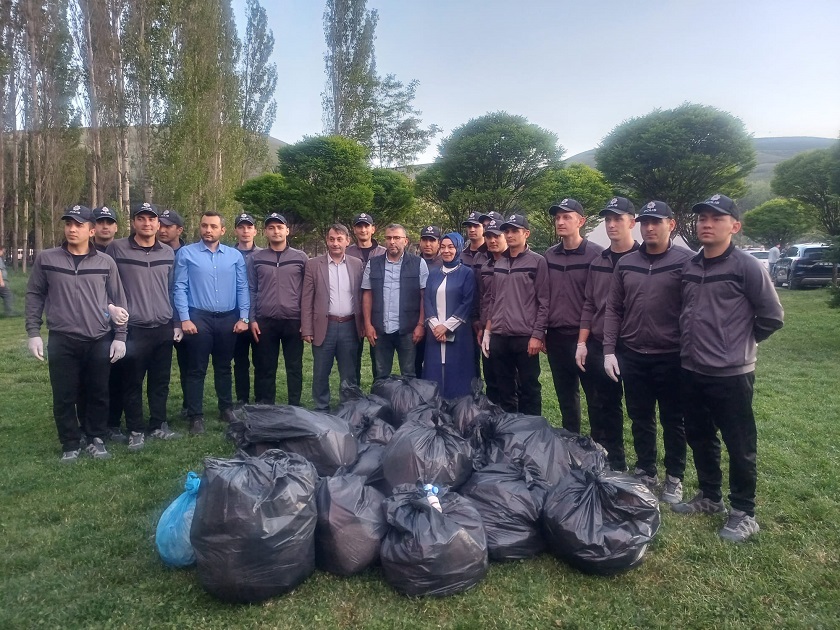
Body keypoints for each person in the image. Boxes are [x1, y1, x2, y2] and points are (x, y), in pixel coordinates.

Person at [672, 194, 784, 543]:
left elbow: (771, 317)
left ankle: (744, 512)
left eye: (716, 218)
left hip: (731, 374)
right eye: (702, 217)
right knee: (700, 436)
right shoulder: (691, 266)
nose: (706, 223)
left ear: (734, 226)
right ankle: (709, 498)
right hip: (691, 369)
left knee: (739, 443)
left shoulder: (747, 266)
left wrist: (736, 345)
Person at [602, 201, 692, 503]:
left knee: (673, 419)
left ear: (672, 224)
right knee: (640, 417)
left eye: (657, 222)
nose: (650, 228)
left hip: (672, 355)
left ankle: (674, 477)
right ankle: (645, 470)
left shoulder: (686, 261)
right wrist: (609, 350)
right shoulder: (626, 263)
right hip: (634, 353)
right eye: (645, 223)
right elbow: (613, 308)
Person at [25, 205, 129, 462]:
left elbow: (118, 299)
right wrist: (33, 332)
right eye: (68, 223)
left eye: (79, 224)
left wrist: (120, 336)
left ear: (91, 231)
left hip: (98, 338)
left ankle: (96, 436)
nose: (72, 229)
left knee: (98, 392)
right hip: (62, 339)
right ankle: (70, 441)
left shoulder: (106, 262)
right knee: (64, 394)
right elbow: (35, 294)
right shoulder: (47, 259)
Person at [105, 202, 179, 451]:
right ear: (134, 222)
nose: (147, 223)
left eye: (152, 219)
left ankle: (158, 424)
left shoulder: (168, 253)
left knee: (160, 382)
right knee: (132, 382)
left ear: (158, 224)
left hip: (162, 326)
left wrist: (175, 322)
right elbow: (107, 286)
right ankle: (135, 430)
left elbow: (172, 289)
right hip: (133, 328)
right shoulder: (117, 249)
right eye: (141, 219)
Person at [173, 211, 250, 434]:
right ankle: (195, 415)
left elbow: (242, 287)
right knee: (196, 369)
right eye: (205, 225)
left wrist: (244, 317)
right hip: (199, 318)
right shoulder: (187, 254)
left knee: (224, 367)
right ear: (200, 227)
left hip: (228, 318)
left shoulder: (234, 256)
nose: (208, 230)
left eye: (213, 226)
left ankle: (225, 408)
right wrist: (185, 318)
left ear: (222, 230)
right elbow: (180, 287)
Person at [577, 197, 639, 471]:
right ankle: (610, 458)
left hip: (635, 345)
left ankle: (645, 467)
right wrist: (582, 342)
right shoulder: (598, 261)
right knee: (602, 404)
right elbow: (589, 303)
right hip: (600, 342)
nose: (612, 225)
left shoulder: (641, 259)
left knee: (639, 410)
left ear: (632, 223)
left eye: (618, 219)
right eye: (608, 220)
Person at [543, 198, 604, 433]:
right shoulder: (549, 255)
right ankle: (571, 439)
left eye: (566, 217)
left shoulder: (596, 255)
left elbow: (597, 299)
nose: (560, 221)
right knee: (565, 394)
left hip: (586, 337)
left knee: (594, 395)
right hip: (557, 336)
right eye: (557, 217)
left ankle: (600, 444)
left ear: (581, 221)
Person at [483, 213, 549, 415]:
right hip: (500, 336)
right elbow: (494, 299)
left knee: (529, 387)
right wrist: (488, 331)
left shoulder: (537, 262)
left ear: (526, 233)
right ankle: (509, 430)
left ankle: (532, 430)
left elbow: (544, 302)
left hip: (524, 337)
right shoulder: (499, 263)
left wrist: (537, 335)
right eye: (507, 231)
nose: (509, 235)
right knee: (504, 387)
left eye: (514, 231)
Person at [301, 223, 365, 410]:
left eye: (339, 239)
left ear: (347, 241)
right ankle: (322, 407)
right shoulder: (313, 265)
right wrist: (306, 328)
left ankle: (349, 407)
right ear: (327, 241)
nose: (335, 243)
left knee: (349, 372)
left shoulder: (356, 264)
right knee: (321, 371)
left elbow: (361, 296)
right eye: (331, 239)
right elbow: (307, 299)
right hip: (324, 326)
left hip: (349, 325)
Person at [247, 212, 308, 405]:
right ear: (265, 232)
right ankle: (265, 406)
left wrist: (305, 322)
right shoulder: (256, 258)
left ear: (287, 231)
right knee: (265, 367)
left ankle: (295, 406)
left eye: (280, 227)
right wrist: (252, 319)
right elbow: (251, 289)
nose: (276, 231)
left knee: (294, 367)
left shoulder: (300, 257)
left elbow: (307, 292)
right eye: (271, 228)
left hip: (293, 321)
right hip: (265, 321)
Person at [362, 224, 429, 380]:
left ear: (405, 241)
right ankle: (381, 403)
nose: (392, 242)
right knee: (380, 374)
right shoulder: (373, 264)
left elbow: (424, 296)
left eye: (397, 238)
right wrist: (367, 325)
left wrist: (420, 325)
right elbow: (367, 294)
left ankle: (409, 404)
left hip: (408, 330)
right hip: (380, 329)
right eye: (389, 238)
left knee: (409, 374)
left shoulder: (418, 263)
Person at [423, 232, 477, 398]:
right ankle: (435, 407)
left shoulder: (467, 273)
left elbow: (467, 302)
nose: (446, 251)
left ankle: (458, 407)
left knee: (457, 369)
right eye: (444, 246)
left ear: (459, 248)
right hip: (435, 332)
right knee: (434, 370)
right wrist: (436, 327)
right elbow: (427, 301)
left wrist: (446, 327)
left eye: (451, 247)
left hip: (458, 332)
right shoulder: (433, 274)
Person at [347, 212, 386, 384]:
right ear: (354, 230)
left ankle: (380, 392)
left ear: (373, 229)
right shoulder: (347, 252)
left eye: (366, 226)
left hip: (377, 311)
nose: (363, 229)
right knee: (351, 357)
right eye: (359, 226)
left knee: (379, 359)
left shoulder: (383, 252)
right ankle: (352, 393)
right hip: (352, 311)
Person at [157, 208, 189, 415]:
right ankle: (158, 411)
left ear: (179, 230)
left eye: (168, 226)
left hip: (187, 318)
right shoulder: (151, 251)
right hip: (160, 317)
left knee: (188, 365)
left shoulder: (190, 253)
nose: (162, 230)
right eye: (160, 225)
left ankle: (189, 405)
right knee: (160, 368)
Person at [232, 213, 262, 405]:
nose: (245, 231)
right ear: (236, 231)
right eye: (241, 227)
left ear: (255, 231)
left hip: (259, 315)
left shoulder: (263, 255)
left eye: (249, 227)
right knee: (240, 360)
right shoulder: (227, 254)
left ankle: (261, 398)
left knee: (261, 360)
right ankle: (242, 398)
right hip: (236, 316)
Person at [415, 225, 443, 377]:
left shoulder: (444, 264)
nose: (428, 244)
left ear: (438, 243)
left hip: (438, 322)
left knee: (436, 363)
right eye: (425, 240)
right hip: (416, 320)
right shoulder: (413, 262)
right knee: (416, 362)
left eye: (432, 240)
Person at [0, 244, 12, 316]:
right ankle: (9, 313)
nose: (3, 253)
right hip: (1, 282)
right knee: (8, 295)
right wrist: (1, 282)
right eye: (2, 251)